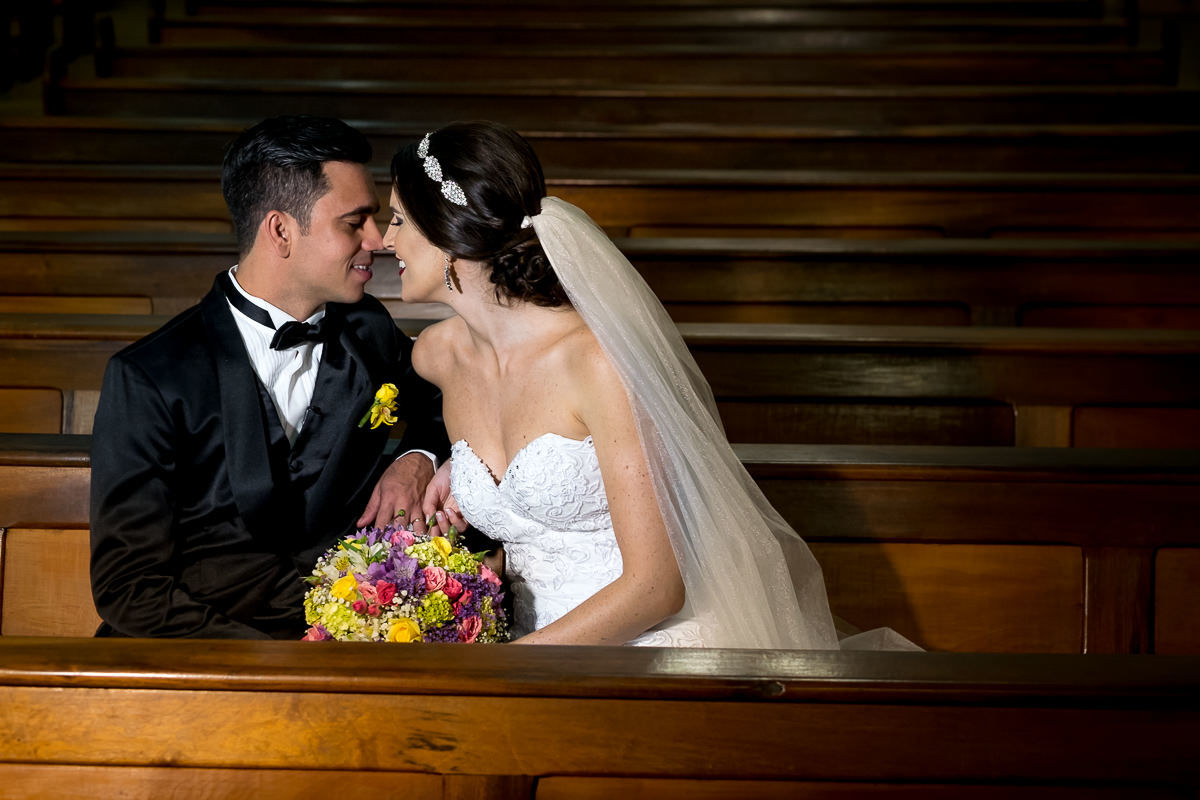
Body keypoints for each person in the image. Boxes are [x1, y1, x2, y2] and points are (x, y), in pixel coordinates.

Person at [386, 121, 916, 649]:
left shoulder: (595, 362)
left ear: (448, 235)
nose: (385, 240)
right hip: (530, 639)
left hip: (645, 644)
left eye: (398, 220)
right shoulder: (437, 356)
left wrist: (505, 670)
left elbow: (656, 587)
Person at [89, 115, 450, 639]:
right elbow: (129, 588)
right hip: (197, 662)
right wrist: (277, 667)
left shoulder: (369, 330)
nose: (379, 240)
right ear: (280, 230)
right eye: (354, 223)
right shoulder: (149, 376)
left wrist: (417, 459)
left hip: (354, 646)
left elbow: (438, 406)